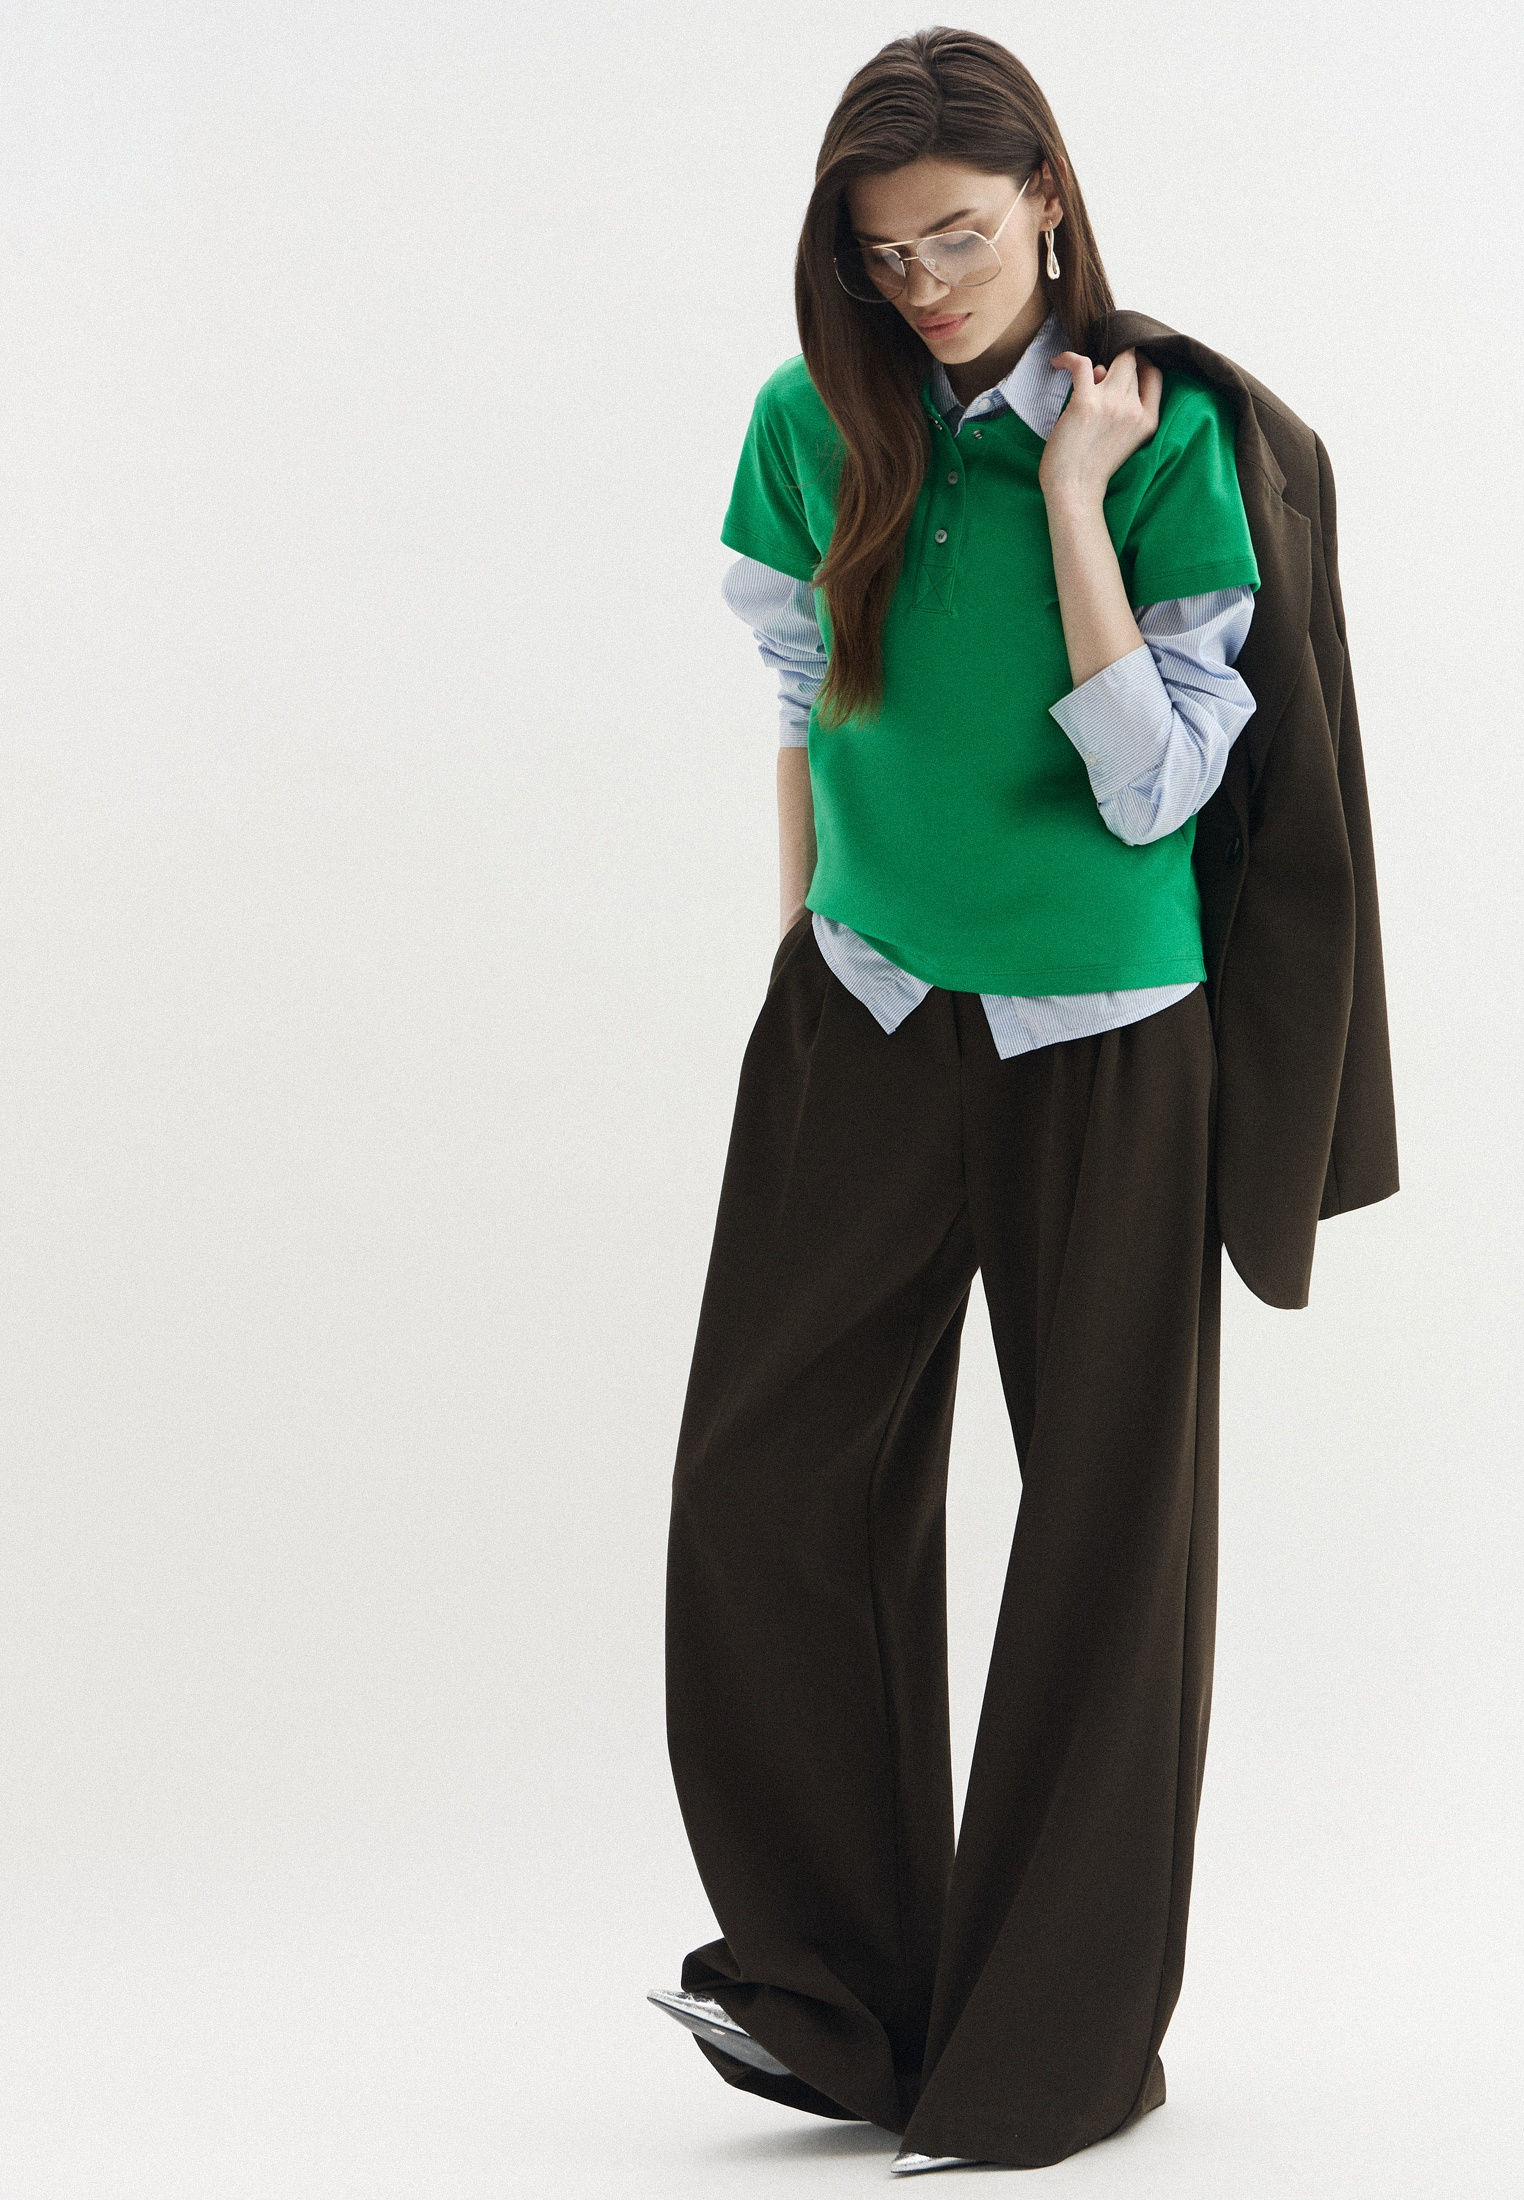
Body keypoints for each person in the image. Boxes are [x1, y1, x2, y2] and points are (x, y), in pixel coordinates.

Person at [648, 24, 1395, 2178]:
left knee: (1101, 1547)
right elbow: (809, 701)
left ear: (1049, 201)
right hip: (868, 1010)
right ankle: (833, 1995)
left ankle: (1051, 2051)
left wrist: (1072, 495)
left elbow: (1157, 787)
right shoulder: (811, 421)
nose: (924, 288)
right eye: (884, 256)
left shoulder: (1172, 439)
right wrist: (808, 948)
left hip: (1110, 1042)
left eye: (959, 240)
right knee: (768, 1488)